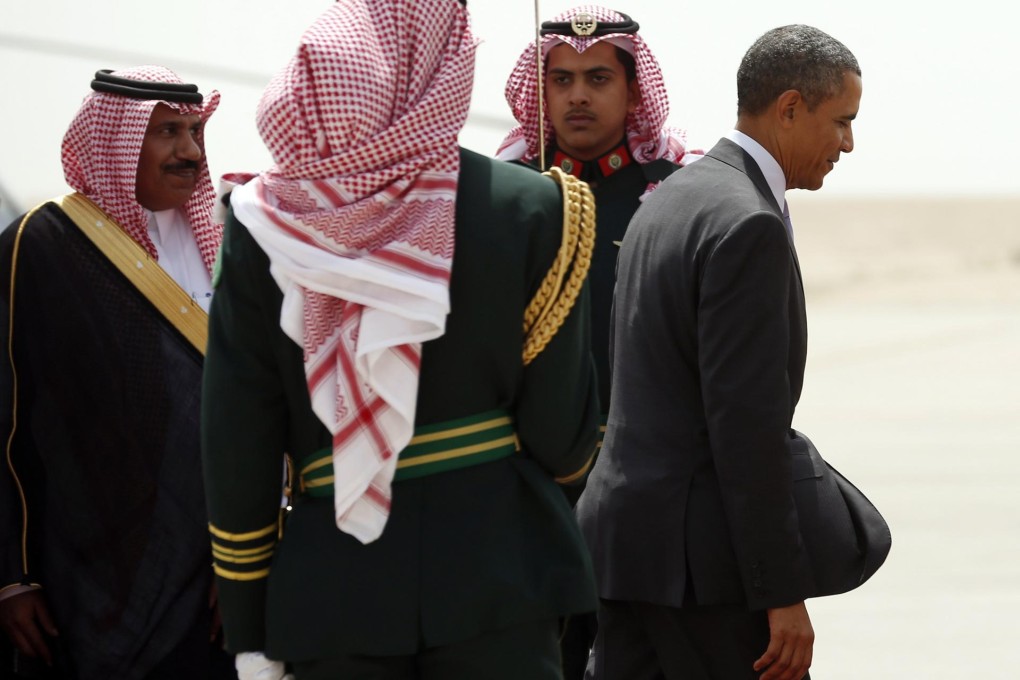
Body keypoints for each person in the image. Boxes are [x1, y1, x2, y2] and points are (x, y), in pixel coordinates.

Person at [200, 1, 600, 679]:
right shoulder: (536, 207)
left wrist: (248, 619)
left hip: (332, 597)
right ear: (440, 67)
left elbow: (239, 447)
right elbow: (562, 438)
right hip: (499, 579)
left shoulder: (258, 227)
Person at [576, 24, 863, 680]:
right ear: (789, 108)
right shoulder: (749, 222)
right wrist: (779, 590)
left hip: (627, 552)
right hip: (701, 572)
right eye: (841, 121)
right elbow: (745, 428)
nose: (847, 143)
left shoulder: (671, 197)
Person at [0, 66, 235, 678]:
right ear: (115, 141)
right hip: (77, 574)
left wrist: (247, 555)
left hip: (209, 570)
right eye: (167, 132)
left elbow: (260, 412)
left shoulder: (232, 245)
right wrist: (12, 575)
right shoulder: (40, 245)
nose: (190, 152)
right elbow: (7, 415)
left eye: (195, 131)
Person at [498, 7, 700, 675]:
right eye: (561, 80)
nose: (577, 96)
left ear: (635, 89)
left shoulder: (676, 193)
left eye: (597, 79)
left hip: (648, 493)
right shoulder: (506, 196)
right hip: (529, 495)